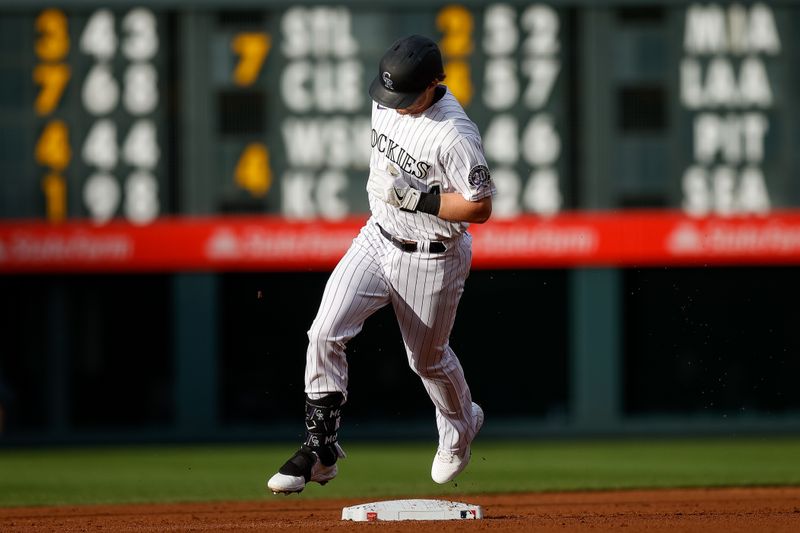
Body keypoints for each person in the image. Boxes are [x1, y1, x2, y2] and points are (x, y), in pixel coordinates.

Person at [267, 34, 495, 494]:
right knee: (324, 332)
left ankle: (461, 424)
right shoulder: (388, 102)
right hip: (376, 236)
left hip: (431, 257)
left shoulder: (453, 133)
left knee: (427, 361)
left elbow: (480, 207)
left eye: (407, 96)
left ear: (435, 84)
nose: (397, 104)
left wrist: (425, 201)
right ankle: (320, 450)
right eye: (391, 94)